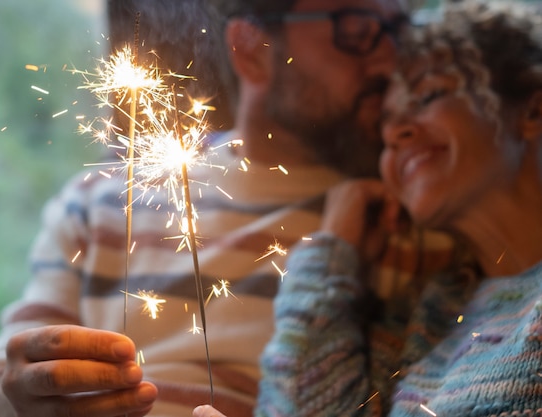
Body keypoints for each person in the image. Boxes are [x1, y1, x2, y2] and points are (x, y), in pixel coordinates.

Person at [0, 0, 455, 416]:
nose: (389, 61)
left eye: (398, 31)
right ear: (252, 48)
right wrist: (24, 396)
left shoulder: (403, 223)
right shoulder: (98, 201)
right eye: (358, 30)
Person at [194, 0, 542, 415]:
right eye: (386, 120)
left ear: (532, 111)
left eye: (429, 95)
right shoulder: (427, 315)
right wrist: (330, 255)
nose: (395, 131)